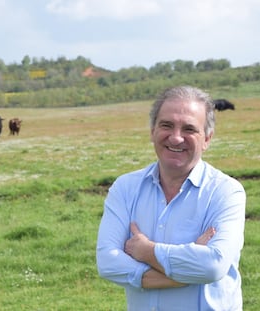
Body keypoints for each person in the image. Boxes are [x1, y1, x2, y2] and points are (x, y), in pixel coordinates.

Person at [96, 86, 246, 311]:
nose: (176, 138)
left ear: (206, 139)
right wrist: (185, 271)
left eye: (189, 129)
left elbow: (213, 267)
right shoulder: (125, 188)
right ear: (152, 131)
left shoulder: (226, 192)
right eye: (166, 125)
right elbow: (108, 262)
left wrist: (147, 251)